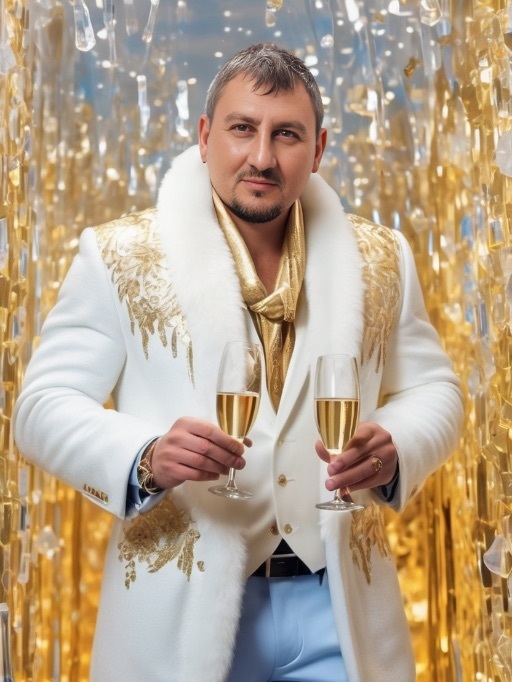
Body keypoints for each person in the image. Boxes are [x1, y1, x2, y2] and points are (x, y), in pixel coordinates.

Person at [14, 42, 463, 682]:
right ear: (205, 136)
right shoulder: (116, 254)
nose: (262, 157)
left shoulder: (382, 256)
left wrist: (398, 446)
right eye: (242, 129)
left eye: (287, 135)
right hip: (180, 618)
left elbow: (436, 389)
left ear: (319, 148)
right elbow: (40, 408)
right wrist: (145, 456)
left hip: (341, 610)